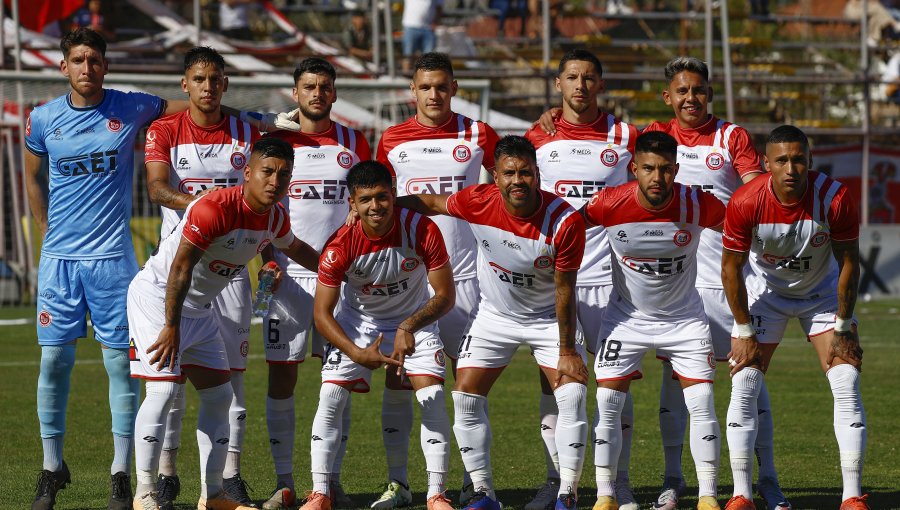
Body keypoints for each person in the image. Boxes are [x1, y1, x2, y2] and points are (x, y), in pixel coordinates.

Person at [23, 27, 187, 510]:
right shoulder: (42, 119)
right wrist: (43, 226)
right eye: (77, 60)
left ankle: (121, 471)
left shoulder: (130, 106)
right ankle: (52, 468)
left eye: (95, 60)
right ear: (63, 67)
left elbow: (195, 109)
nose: (87, 68)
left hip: (114, 263)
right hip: (59, 263)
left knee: (120, 364)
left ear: (106, 66)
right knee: (54, 361)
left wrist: (259, 120)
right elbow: (31, 173)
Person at [397, 135, 590, 510]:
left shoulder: (564, 221)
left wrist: (568, 351)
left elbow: (565, 289)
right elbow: (431, 202)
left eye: (526, 173)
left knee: (572, 394)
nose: (518, 181)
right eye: (509, 173)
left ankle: (568, 493)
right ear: (496, 177)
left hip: (548, 318)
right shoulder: (477, 201)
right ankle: (484, 494)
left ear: (537, 174)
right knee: (465, 396)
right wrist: (389, 207)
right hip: (495, 316)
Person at [129, 137, 319, 510]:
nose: (275, 182)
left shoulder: (276, 217)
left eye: (284, 175)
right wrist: (171, 326)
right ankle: (145, 493)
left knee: (220, 395)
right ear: (248, 173)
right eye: (267, 172)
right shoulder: (213, 209)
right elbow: (180, 269)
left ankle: (212, 495)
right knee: (164, 392)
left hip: (198, 307)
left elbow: (297, 249)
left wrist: (340, 270)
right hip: (158, 298)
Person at [640, 56, 781, 510]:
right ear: (668, 97)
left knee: (749, 376)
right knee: (675, 380)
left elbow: (759, 188)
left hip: (733, 279)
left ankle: (768, 479)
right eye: (681, 91)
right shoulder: (653, 140)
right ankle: (673, 477)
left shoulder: (731, 136)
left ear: (709, 95)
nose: (690, 98)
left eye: (698, 90)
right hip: (679, 285)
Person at [721, 125, 868, 510]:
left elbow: (850, 264)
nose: (791, 169)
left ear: (810, 161)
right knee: (745, 380)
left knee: (846, 378)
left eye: (798, 159)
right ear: (766, 163)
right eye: (782, 160)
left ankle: (852, 496)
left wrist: (843, 326)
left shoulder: (835, 199)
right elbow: (731, 269)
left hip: (820, 296)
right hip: (766, 297)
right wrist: (742, 328)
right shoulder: (745, 201)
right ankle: (742, 495)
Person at [375, 51, 499, 508]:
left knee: (468, 385)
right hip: (409, 281)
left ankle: (476, 484)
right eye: (425, 86)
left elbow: (513, 175)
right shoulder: (392, 139)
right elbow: (377, 202)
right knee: (400, 378)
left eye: (442, 86)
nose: (434, 94)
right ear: (412, 91)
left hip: (468, 279)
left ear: (454, 89)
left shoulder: (478, 133)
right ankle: (400, 484)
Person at [298, 161, 456, 510]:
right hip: (359, 323)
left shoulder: (422, 229)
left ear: (393, 194)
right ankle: (320, 492)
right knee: (330, 398)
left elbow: (445, 295)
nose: (375, 207)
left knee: (429, 393)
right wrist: (355, 352)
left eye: (383, 197)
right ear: (351, 203)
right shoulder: (339, 244)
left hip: (414, 319)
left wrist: (407, 326)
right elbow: (322, 314)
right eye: (365, 199)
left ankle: (435, 494)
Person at [142, 46, 260, 509]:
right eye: (199, 78)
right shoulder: (165, 129)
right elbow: (154, 188)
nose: (208, 86)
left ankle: (229, 477)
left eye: (215, 79)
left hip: (231, 272)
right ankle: (167, 473)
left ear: (224, 84)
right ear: (184, 84)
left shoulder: (246, 132)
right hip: (183, 266)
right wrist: (204, 211)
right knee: (170, 380)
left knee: (231, 378)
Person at [581, 131, 724, 510]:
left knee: (702, 400)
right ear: (634, 169)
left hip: (684, 319)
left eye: (664, 169)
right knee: (608, 401)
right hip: (626, 317)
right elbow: (566, 228)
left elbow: (738, 228)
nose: (656, 178)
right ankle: (606, 495)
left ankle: (708, 496)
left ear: (676, 170)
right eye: (648, 169)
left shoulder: (698, 204)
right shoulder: (610, 203)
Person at [523, 48, 637, 510]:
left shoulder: (627, 135)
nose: (581, 86)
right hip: (555, 280)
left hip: (612, 282)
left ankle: (620, 484)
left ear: (601, 84)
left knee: (617, 387)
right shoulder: (536, 137)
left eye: (590, 78)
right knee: (553, 383)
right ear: (558, 84)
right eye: (572, 77)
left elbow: (675, 145)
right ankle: (557, 481)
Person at [260, 57, 371, 510]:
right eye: (309, 86)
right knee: (282, 379)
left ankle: (331, 481)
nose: (317, 93)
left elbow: (367, 203)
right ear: (295, 93)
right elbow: (260, 206)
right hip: (287, 276)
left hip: (340, 279)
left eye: (325, 86)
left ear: (335, 93)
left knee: (338, 383)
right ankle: (285, 482)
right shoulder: (275, 143)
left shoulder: (354, 142)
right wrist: (268, 259)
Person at [401, 0, 443, 70]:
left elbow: (439, 7)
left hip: (428, 28)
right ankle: (407, 77)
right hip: (410, 26)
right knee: (408, 55)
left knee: (429, 58)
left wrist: (436, 22)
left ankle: (426, 78)